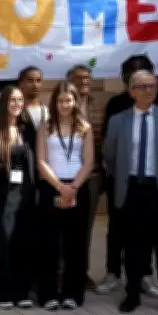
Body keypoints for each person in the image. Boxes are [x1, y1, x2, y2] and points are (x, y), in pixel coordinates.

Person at [103, 70, 158, 315]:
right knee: (132, 244)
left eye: (152, 86)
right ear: (131, 92)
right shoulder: (118, 120)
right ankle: (132, 294)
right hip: (131, 188)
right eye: (142, 86)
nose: (148, 90)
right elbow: (110, 155)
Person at [97, 55, 158, 296]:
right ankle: (113, 272)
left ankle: (144, 274)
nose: (138, 77)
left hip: (151, 180)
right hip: (121, 179)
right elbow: (108, 143)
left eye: (144, 72)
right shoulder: (116, 104)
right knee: (117, 227)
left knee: (148, 228)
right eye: (132, 73)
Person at [36, 81, 95, 310]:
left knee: (76, 244)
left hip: (78, 186)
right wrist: (61, 187)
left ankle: (73, 294)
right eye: (61, 100)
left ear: (75, 102)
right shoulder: (45, 127)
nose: (65, 104)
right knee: (49, 243)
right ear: (55, 103)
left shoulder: (85, 128)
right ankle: (48, 294)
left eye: (69, 100)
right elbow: (42, 161)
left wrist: (74, 186)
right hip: (52, 186)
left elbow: (89, 162)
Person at [0, 85, 37, 308]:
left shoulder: (28, 129)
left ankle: (22, 290)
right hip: (1, 195)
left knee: (23, 240)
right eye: (13, 100)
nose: (17, 104)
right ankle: (3, 291)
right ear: (4, 102)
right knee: (2, 241)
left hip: (25, 193)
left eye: (20, 100)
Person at [66, 64, 104, 288]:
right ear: (70, 81)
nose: (84, 82)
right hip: (65, 177)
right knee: (64, 227)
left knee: (85, 228)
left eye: (88, 78)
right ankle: (61, 271)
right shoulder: (62, 105)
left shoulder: (98, 107)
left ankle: (82, 272)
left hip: (91, 177)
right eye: (79, 78)